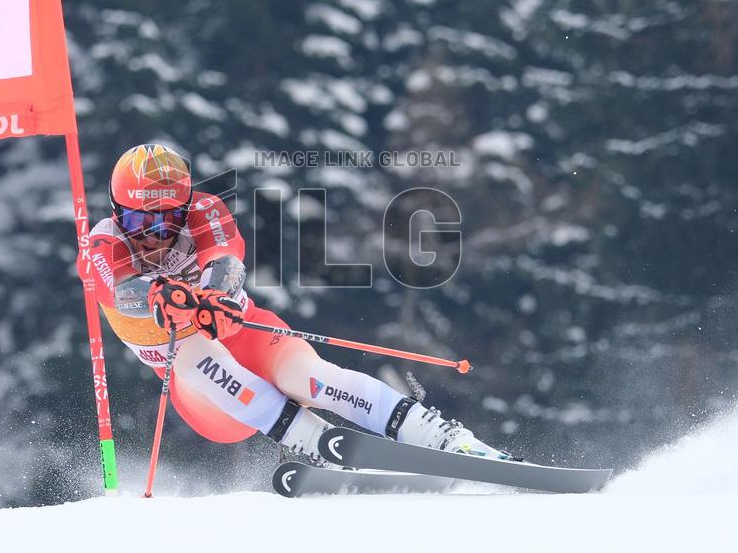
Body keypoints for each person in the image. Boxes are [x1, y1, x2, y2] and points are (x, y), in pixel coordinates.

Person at [85, 143, 508, 464]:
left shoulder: (204, 210)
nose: (156, 235)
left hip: (249, 333)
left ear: (186, 206)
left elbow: (226, 259)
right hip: (206, 395)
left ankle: (448, 439)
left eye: (170, 219)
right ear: (118, 211)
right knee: (192, 353)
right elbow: (122, 292)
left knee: (313, 378)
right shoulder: (103, 243)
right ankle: (320, 445)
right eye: (142, 220)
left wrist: (212, 295)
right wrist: (160, 293)